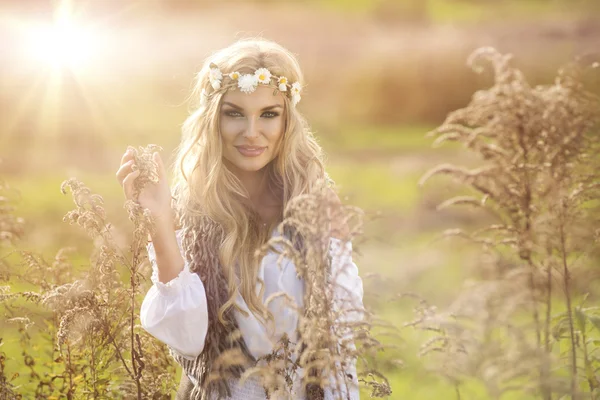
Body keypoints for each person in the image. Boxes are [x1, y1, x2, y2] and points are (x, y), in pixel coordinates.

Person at [115, 38, 363, 400]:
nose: (251, 132)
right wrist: (159, 224)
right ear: (213, 119)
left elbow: (343, 323)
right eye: (234, 113)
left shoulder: (313, 203)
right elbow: (187, 341)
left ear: (287, 119)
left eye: (268, 114)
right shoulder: (191, 211)